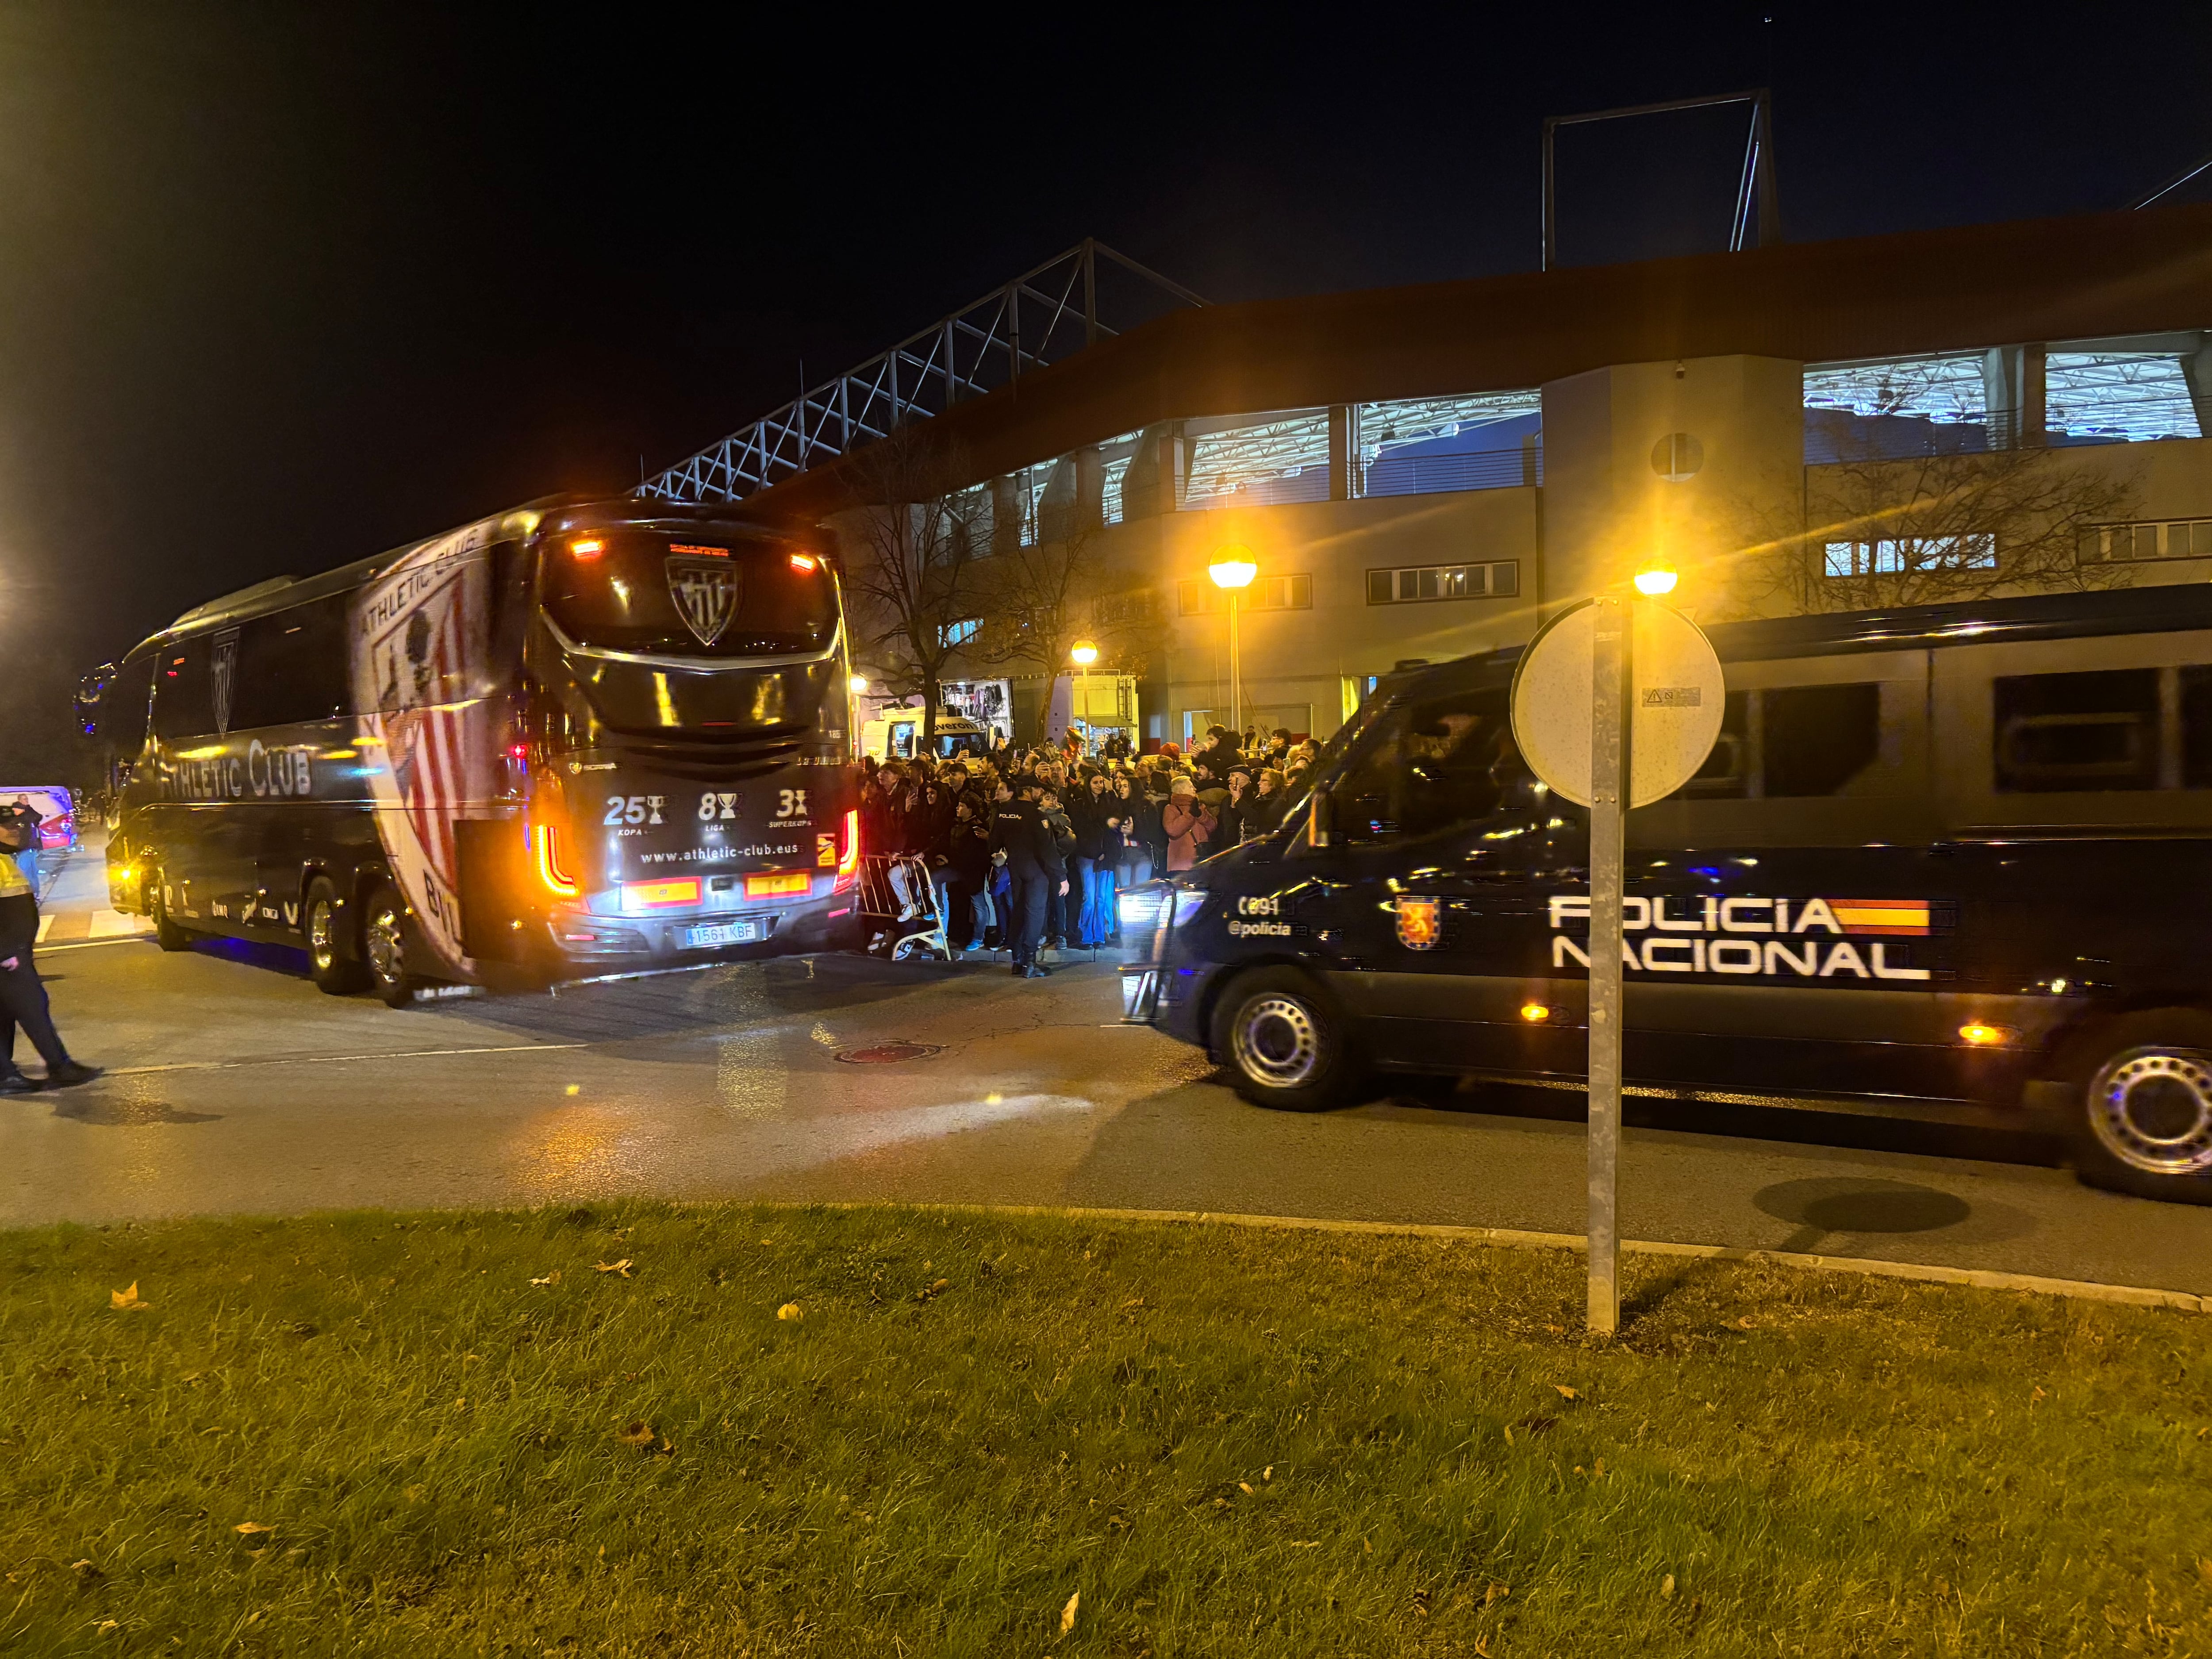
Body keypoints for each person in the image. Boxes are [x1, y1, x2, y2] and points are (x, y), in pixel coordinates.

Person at [0, 816, 98, 1094]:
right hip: (9, 958)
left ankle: (9, 1075)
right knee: (33, 1007)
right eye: (6, 826)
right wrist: (5, 953)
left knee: (8, 1014)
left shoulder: (4, 859)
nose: (14, 831)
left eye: (16, 825)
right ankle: (59, 1068)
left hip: (14, 954)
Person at [988, 780, 1064, 978]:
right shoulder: (1036, 815)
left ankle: (1017, 961)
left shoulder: (1005, 811)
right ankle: (1030, 963)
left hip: (1015, 868)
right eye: (1038, 789)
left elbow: (994, 842)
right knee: (1035, 913)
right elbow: (1048, 850)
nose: (1041, 792)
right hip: (1036, 870)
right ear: (1028, 791)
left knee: (1019, 911)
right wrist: (1062, 877)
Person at [1161, 774, 1217, 873]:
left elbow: (1212, 826)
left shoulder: (1200, 806)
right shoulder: (1171, 809)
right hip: (1181, 864)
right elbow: (1173, 830)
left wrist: (1201, 815)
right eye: (1191, 787)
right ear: (1181, 790)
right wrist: (1190, 814)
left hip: (1202, 859)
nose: (1195, 789)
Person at [1111, 771, 1156, 890]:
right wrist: (1111, 824)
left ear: (1134, 788)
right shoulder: (1117, 807)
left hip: (1143, 854)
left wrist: (1134, 832)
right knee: (1124, 892)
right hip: (1122, 855)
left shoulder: (1148, 807)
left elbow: (1154, 834)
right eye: (1121, 786)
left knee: (1141, 891)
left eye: (1125, 786)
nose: (1122, 789)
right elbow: (1112, 833)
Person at [2, 795, 44, 899]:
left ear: (20, 809)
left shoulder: (24, 820)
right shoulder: (24, 819)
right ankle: (35, 894)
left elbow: (38, 817)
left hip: (27, 850)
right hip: (30, 850)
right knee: (32, 873)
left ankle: (31, 895)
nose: (13, 812)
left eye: (15, 810)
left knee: (24, 873)